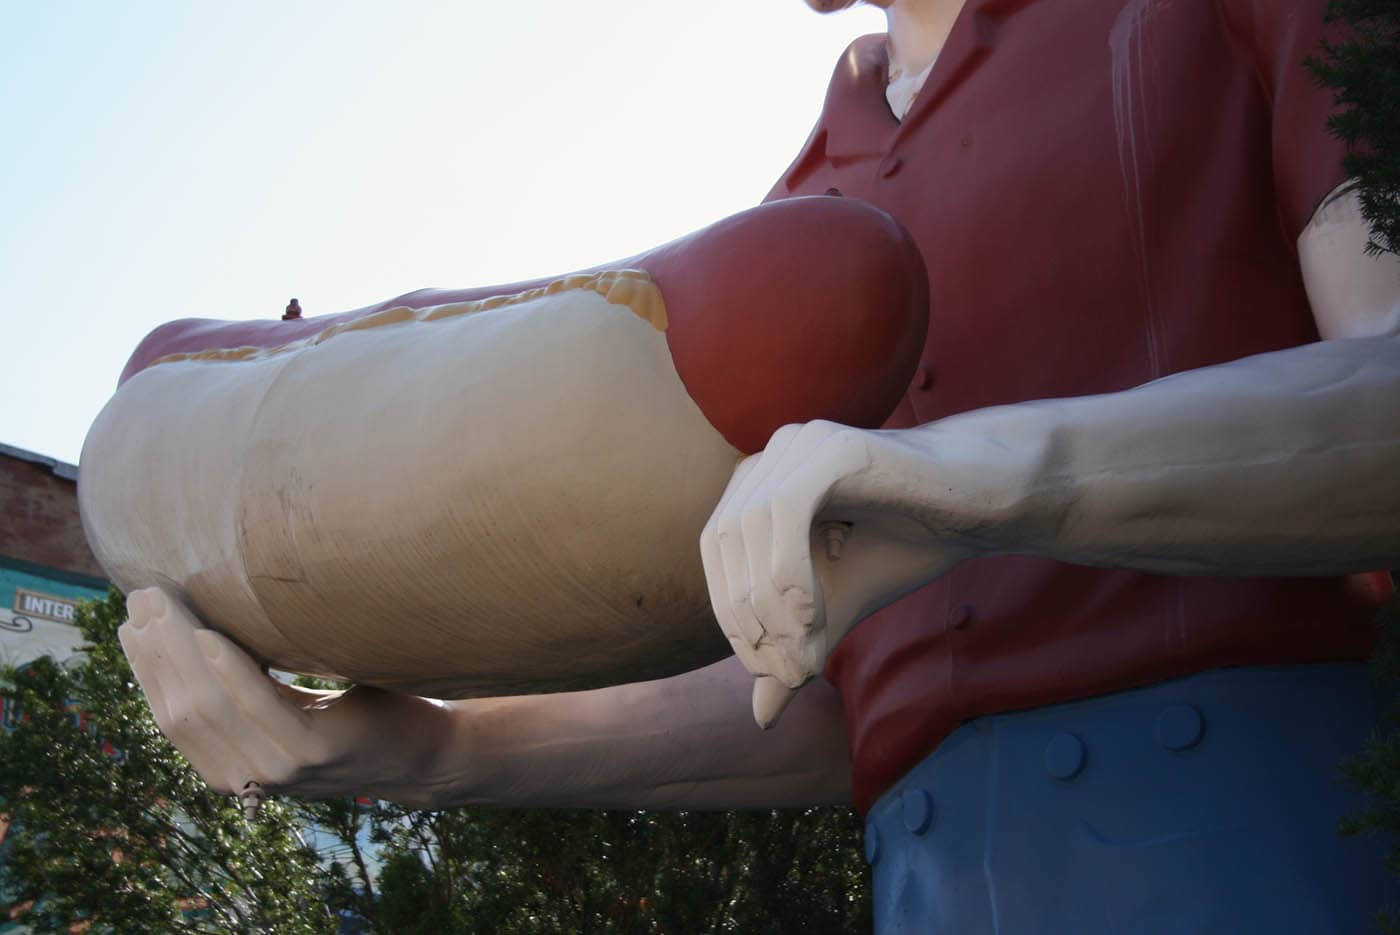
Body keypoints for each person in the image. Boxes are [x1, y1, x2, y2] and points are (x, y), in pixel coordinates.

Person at [120, 0, 1400, 930]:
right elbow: (804, 679)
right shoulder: (795, 205)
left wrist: (976, 479)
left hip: (1283, 820)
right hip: (927, 877)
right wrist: (433, 755)